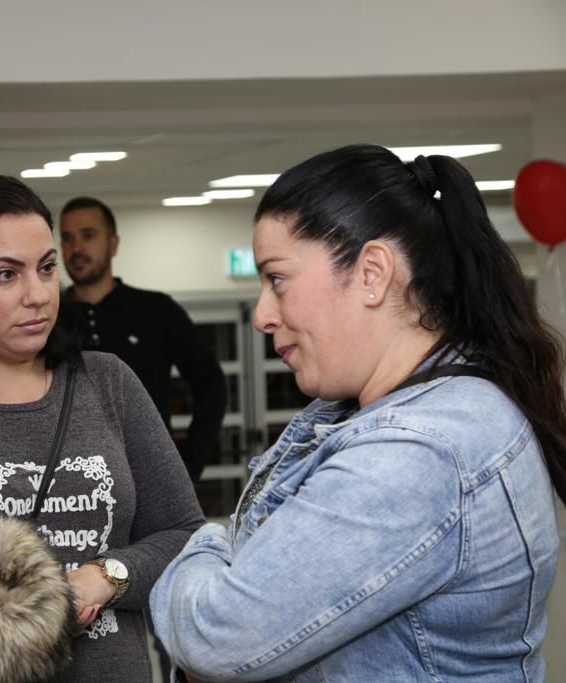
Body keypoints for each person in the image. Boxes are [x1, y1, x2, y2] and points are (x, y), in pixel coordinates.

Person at [150, 144, 566, 682]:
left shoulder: (418, 451)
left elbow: (213, 636)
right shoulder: (367, 411)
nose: (262, 315)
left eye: (277, 279)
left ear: (372, 273)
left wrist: (202, 541)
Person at [0, 175, 205, 683]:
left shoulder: (107, 382)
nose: (37, 295)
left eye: (45, 268)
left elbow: (184, 534)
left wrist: (108, 576)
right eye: (5, 274)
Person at [59, 196, 227, 482]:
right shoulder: (48, 318)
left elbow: (211, 385)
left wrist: (188, 466)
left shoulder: (156, 310)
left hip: (150, 479)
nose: (76, 248)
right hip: (70, 482)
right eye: (67, 238)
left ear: (113, 244)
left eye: (88, 235)